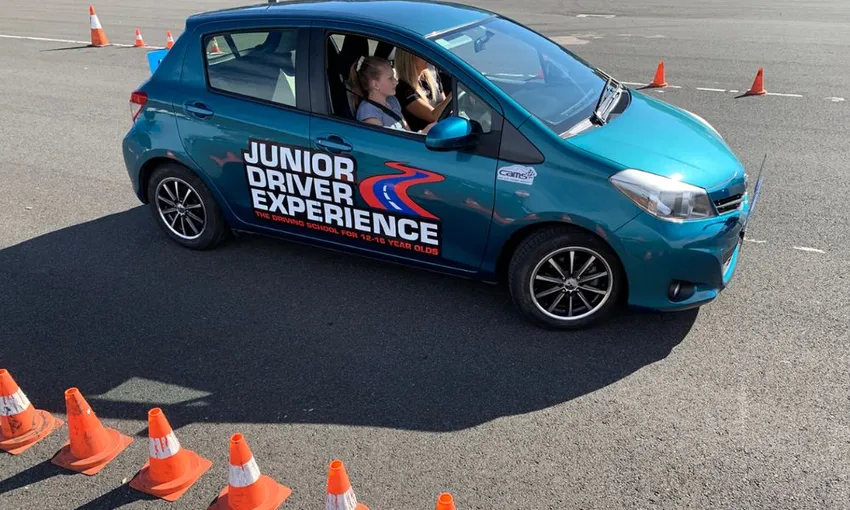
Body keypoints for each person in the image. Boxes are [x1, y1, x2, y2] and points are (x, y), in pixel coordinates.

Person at [351, 56, 434, 134]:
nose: (396, 82)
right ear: (375, 85)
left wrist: (423, 133)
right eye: (390, 78)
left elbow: (408, 133)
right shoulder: (368, 113)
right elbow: (384, 144)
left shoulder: (392, 100)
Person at [394, 48, 453, 133]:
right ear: (410, 59)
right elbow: (433, 116)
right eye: (422, 54)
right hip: (427, 137)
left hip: (443, 127)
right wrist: (454, 93)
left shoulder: (431, 75)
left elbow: (445, 106)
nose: (427, 57)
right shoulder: (404, 89)